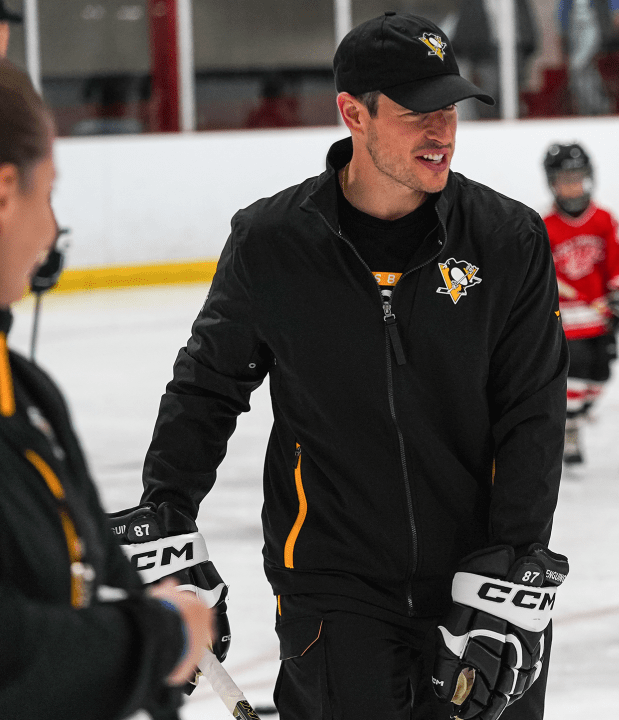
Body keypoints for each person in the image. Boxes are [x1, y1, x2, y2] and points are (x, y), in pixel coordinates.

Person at [111, 14, 570, 719]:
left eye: (450, 108)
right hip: (333, 586)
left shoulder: (507, 240)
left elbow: (533, 413)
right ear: (353, 113)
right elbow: (207, 387)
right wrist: (166, 512)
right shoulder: (272, 242)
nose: (441, 131)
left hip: (479, 580)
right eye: (418, 112)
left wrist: (511, 570)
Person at [0, 59, 214, 717]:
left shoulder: (28, 391)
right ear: (5, 193)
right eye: (50, 194)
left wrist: (157, 635)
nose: (51, 231)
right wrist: (164, 635)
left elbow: (107, 586)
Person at [541, 142, 619, 465]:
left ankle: (576, 417)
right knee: (573, 380)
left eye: (577, 179)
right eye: (564, 181)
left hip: (599, 319)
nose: (571, 187)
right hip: (566, 326)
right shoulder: (544, 227)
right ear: (552, 184)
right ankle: (568, 428)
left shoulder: (605, 221)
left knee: (600, 376)